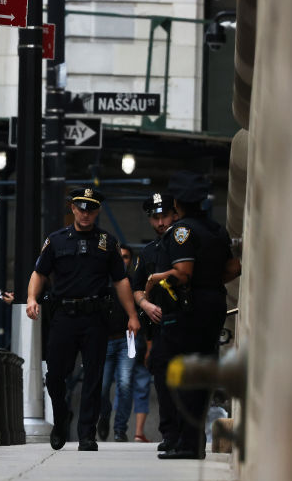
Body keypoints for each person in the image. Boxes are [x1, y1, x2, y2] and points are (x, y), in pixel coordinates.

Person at [26, 188, 140, 451]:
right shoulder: (56, 240)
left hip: (95, 317)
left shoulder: (107, 243)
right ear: (73, 209)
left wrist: (132, 315)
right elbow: (39, 273)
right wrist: (32, 298)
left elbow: (121, 281)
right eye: (81, 208)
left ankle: (86, 433)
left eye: (91, 208)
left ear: (97, 211)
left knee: (93, 376)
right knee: (55, 374)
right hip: (63, 316)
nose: (86, 213)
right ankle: (62, 416)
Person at [144, 172, 241, 459]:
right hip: (213, 304)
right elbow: (234, 268)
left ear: (177, 203)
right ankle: (193, 441)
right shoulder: (217, 229)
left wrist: (153, 280)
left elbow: (182, 273)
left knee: (179, 372)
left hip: (189, 309)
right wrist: (209, 282)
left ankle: (187, 443)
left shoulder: (181, 231)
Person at [131, 192, 181, 450]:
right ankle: (170, 433)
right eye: (155, 218)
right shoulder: (148, 251)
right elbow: (137, 287)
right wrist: (145, 304)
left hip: (186, 319)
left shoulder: (184, 241)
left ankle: (186, 431)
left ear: (174, 214)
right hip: (159, 322)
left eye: (164, 216)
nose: (160, 223)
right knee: (162, 380)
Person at [97, 244, 136, 442]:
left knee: (125, 385)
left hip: (126, 340)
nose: (122, 260)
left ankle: (120, 430)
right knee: (102, 388)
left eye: (126, 257)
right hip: (104, 341)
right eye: (119, 256)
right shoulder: (101, 281)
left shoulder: (133, 282)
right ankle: (104, 416)